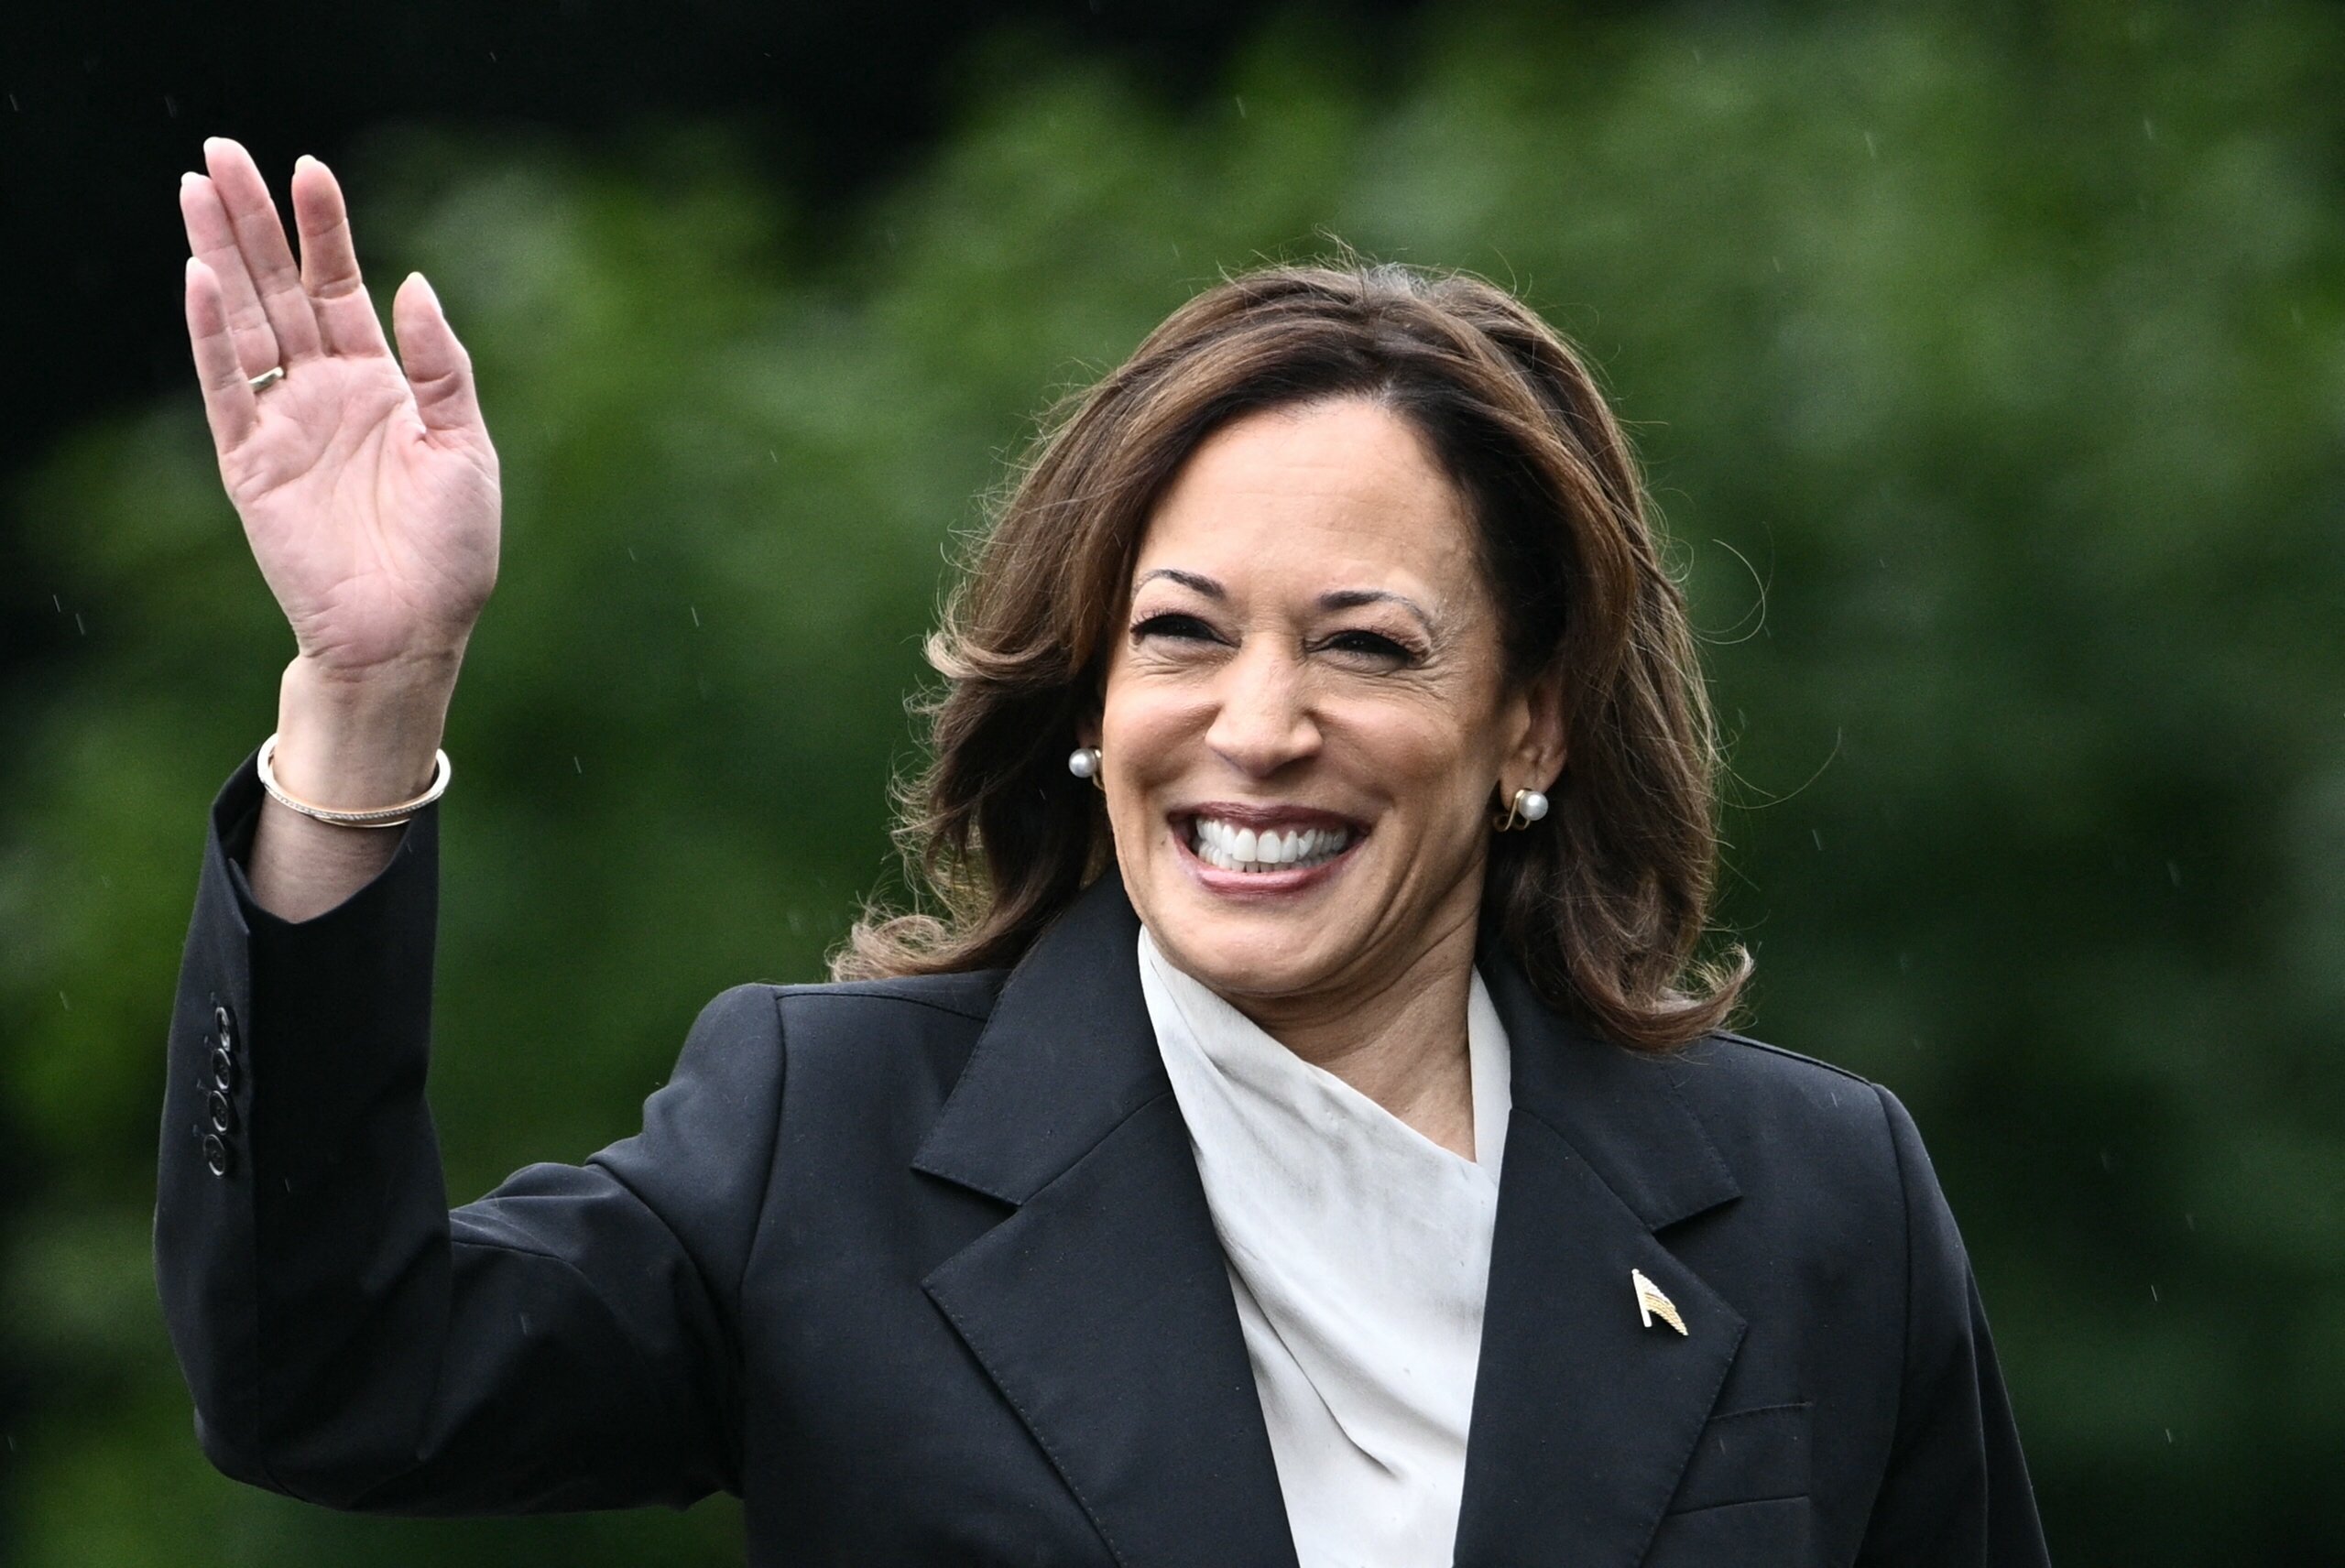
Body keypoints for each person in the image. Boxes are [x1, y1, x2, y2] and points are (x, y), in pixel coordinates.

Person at [155, 136, 2051, 1567]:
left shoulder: (1816, 1201)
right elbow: (329, 1375)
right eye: (1180, 632)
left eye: (1365, 644)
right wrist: (366, 697)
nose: (1252, 724)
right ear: (1083, 694)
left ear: (1529, 722)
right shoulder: (823, 1142)